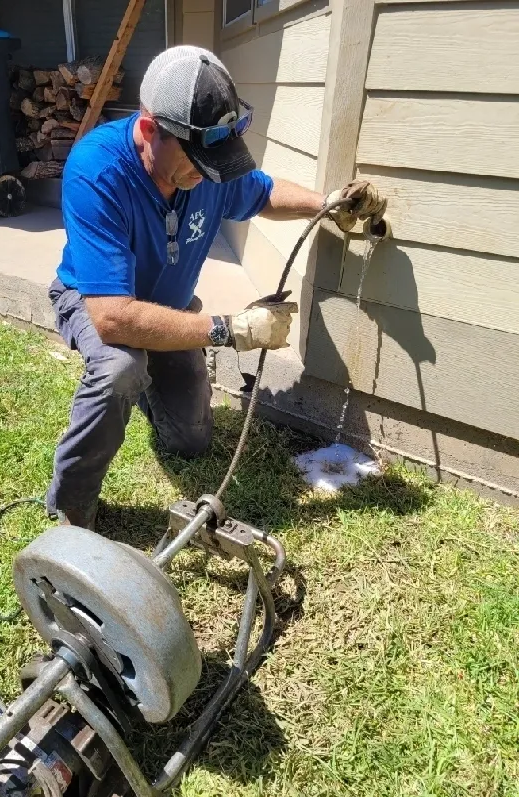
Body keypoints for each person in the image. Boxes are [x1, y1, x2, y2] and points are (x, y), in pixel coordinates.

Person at [46, 45, 386, 530]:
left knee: (191, 441)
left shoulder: (206, 165)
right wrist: (232, 329)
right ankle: (70, 508)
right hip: (95, 300)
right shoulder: (96, 172)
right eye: (198, 161)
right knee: (120, 365)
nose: (209, 174)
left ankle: (151, 383)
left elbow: (264, 193)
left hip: (169, 305)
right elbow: (113, 318)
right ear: (148, 131)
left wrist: (328, 204)